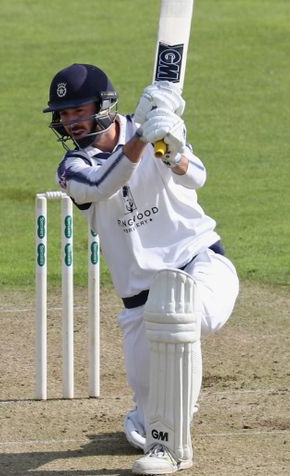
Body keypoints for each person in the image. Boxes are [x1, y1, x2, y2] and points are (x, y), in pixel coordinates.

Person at [43, 63, 239, 474]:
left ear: (103, 106)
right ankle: (149, 417)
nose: (71, 121)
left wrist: (170, 145)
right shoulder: (71, 168)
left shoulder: (152, 131)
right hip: (139, 304)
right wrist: (141, 141)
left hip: (201, 266)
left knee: (180, 316)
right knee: (150, 424)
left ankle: (175, 451)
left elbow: (197, 177)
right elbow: (101, 186)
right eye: (64, 114)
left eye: (79, 110)